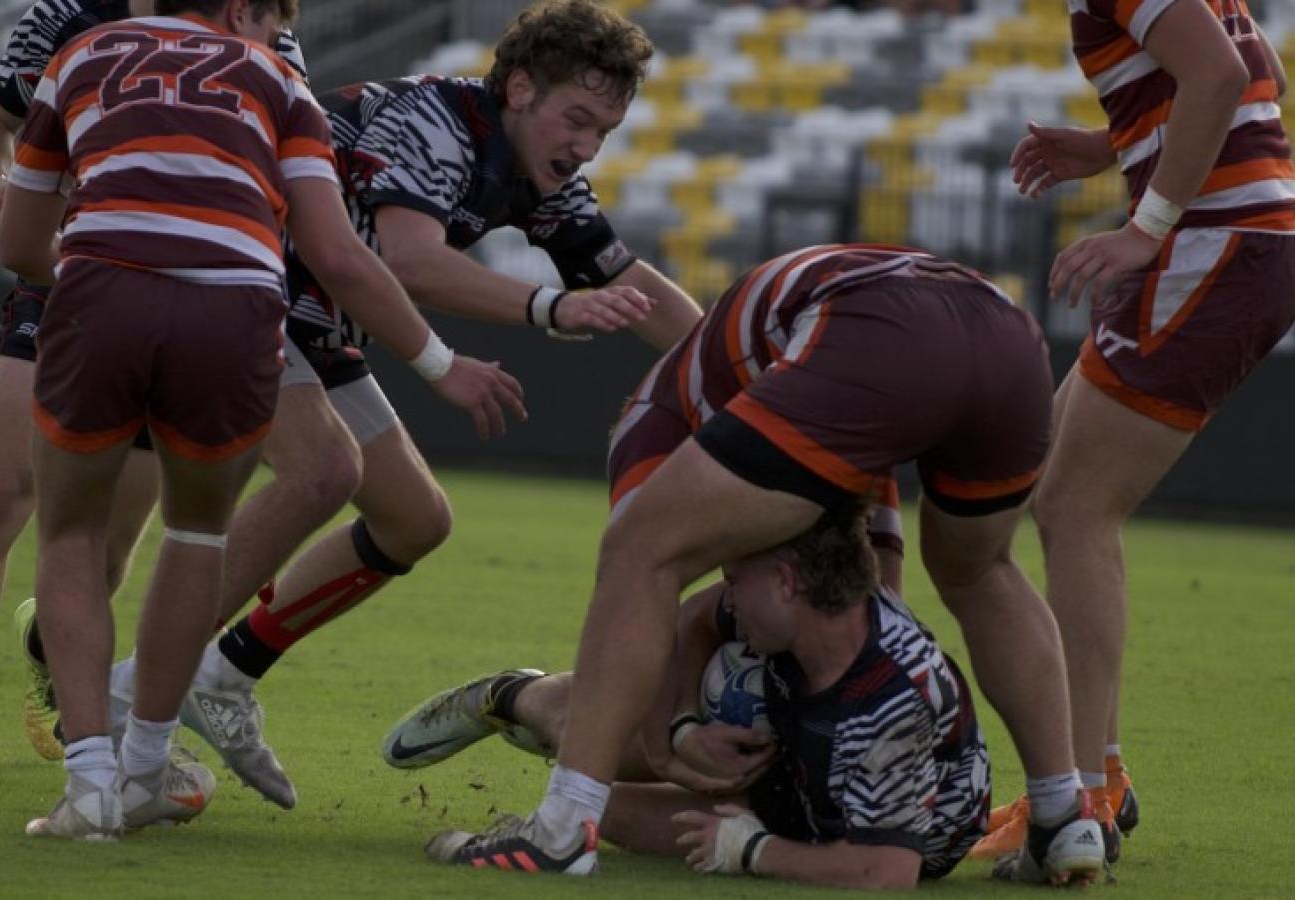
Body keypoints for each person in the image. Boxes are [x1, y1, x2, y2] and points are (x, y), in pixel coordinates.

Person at [76, 0, 704, 810]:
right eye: (577, 119)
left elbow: (629, 286)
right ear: (519, 89)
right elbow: (413, 262)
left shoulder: (536, 175)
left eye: (605, 132)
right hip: (253, 295)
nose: (586, 146)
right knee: (321, 472)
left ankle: (221, 674)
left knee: (414, 518)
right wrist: (548, 308)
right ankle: (136, 700)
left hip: (321, 318)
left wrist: (730, 366)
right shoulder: (434, 122)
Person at [0, 0, 516, 779]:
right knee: (14, 494)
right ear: (244, 11)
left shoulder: (265, 57)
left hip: (158, 289)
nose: (275, 34)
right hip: (118, 280)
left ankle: (94, 745)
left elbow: (293, 204)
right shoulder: (77, 22)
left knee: (108, 542)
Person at [422, 244, 1109, 886]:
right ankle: (1062, 812)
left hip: (879, 328)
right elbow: (872, 573)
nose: (728, 574)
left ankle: (562, 826)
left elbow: (644, 580)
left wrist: (671, 739)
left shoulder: (655, 418)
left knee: (636, 550)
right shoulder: (795, 392)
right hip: (1006, 337)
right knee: (979, 569)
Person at [973, 0, 1295, 866]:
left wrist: (1144, 229)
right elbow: (1258, 75)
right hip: (1230, 243)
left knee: (1076, 509)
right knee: (1057, 497)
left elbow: (1224, 76)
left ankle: (1076, 796)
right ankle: (1095, 778)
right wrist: (1114, 148)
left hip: (1212, 246)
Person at [388, 507, 990, 889]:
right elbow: (693, 619)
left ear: (786, 582)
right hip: (802, 766)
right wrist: (677, 729)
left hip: (858, 823)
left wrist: (754, 850)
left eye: (734, 579)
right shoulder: (811, 610)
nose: (726, 592)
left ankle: (528, 722)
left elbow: (886, 872)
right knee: (589, 742)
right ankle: (512, 697)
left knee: (609, 811)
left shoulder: (888, 702)